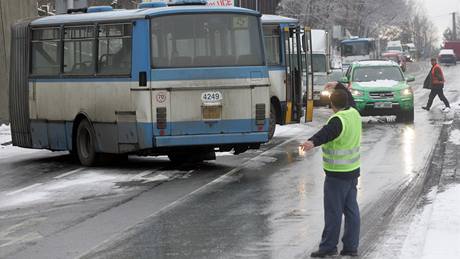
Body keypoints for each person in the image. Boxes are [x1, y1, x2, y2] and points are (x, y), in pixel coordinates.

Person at [300, 88, 361, 258]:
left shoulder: (338, 119)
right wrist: (340, 86)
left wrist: (312, 142)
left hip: (337, 174)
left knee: (333, 212)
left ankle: (328, 248)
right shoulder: (354, 113)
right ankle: (350, 248)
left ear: (332, 104)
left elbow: (327, 133)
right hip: (353, 171)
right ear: (347, 102)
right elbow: (349, 100)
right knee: (351, 210)